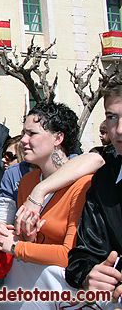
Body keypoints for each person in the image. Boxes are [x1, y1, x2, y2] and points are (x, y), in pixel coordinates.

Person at [0, 103, 91, 307]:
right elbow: (35, 243)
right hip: (33, 292)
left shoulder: (82, 184)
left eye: (31, 133)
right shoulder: (27, 181)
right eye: (24, 133)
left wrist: (17, 246)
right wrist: (19, 236)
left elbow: (69, 255)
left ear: (58, 138)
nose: (23, 141)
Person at [62, 80, 122, 298]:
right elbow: (84, 253)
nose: (119, 129)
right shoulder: (104, 180)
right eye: (112, 117)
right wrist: (89, 275)